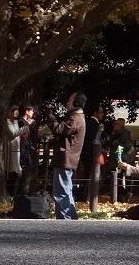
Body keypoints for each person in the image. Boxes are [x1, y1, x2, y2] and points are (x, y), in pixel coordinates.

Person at [45, 91, 87, 220]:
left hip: (65, 159)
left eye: (69, 100)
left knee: (61, 191)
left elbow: (58, 130)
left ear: (76, 103)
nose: (67, 103)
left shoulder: (75, 119)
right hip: (69, 159)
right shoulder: (77, 118)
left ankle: (64, 219)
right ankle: (71, 218)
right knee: (67, 189)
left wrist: (50, 115)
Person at [7, 106, 22, 180]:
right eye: (14, 111)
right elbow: (13, 133)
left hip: (17, 146)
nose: (16, 112)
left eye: (17, 111)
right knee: (11, 164)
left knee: (17, 164)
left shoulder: (16, 122)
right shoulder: (7, 122)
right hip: (11, 146)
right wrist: (23, 129)